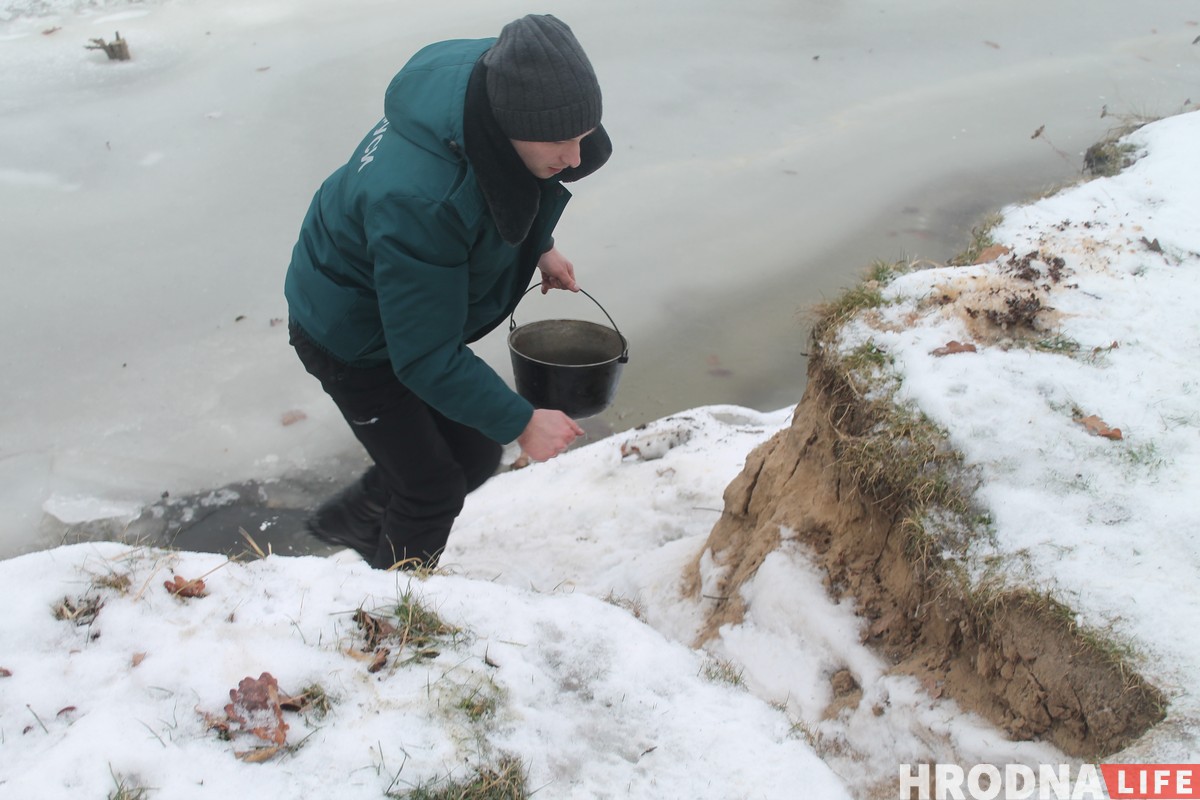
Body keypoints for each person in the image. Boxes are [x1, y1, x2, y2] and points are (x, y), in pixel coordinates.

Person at [284, 14, 611, 570]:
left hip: (400, 308)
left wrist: (538, 245)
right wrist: (525, 422)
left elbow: (502, 187)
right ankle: (395, 618)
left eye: (582, 137)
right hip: (350, 338)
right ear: (513, 124)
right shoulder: (422, 201)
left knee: (477, 451)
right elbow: (424, 356)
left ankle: (356, 519)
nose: (576, 158)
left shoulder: (493, 82)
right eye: (561, 141)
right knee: (431, 489)